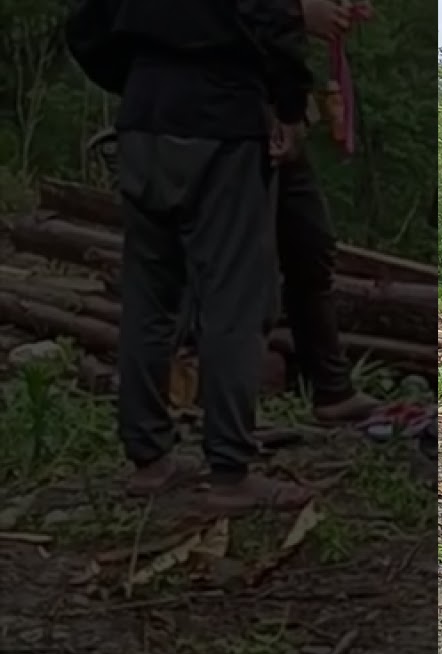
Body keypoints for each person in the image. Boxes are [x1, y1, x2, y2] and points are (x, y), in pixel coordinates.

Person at [92, 0, 315, 509]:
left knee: (148, 299)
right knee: (233, 301)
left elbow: (87, 25)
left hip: (143, 117)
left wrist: (139, 81)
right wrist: (289, 108)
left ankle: (148, 460)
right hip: (223, 119)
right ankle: (229, 472)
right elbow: (272, 18)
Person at [278, 0, 380, 425]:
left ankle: (331, 388)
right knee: (236, 265)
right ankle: (229, 418)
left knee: (312, 247)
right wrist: (295, 11)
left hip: (280, 116)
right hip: (233, 115)